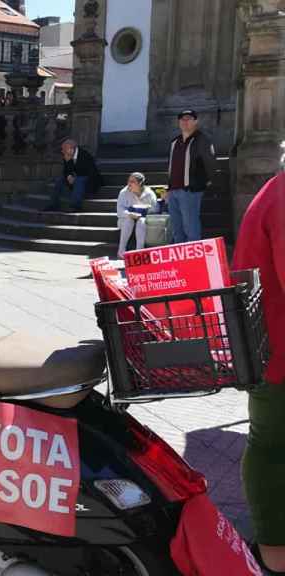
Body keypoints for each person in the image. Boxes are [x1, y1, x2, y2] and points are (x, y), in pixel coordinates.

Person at [234, 146, 285, 574]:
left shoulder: (276, 189)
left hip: (272, 353)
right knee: (272, 447)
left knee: (269, 444)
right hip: (280, 359)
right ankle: (274, 554)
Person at [167, 109, 217, 243]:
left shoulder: (202, 139)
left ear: (196, 121)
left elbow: (210, 163)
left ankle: (194, 261)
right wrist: (168, 188)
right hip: (173, 191)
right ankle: (180, 261)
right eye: (182, 119)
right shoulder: (174, 142)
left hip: (190, 190)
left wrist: (206, 182)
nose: (185, 122)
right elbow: (171, 166)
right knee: (177, 229)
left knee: (191, 228)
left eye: (189, 119)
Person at [44, 138, 100, 213]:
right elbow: (66, 171)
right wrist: (69, 176)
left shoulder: (85, 155)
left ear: (71, 148)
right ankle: (53, 204)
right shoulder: (67, 155)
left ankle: (76, 205)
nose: (62, 151)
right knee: (59, 180)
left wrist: (75, 177)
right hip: (76, 178)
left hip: (89, 179)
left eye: (64, 149)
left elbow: (91, 172)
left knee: (79, 180)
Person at [115, 172, 158, 259]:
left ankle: (139, 251)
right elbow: (119, 211)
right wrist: (129, 214)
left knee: (141, 221)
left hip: (143, 219)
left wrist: (147, 209)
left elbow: (156, 209)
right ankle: (121, 250)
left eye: (132, 181)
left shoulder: (149, 193)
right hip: (126, 219)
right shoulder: (124, 192)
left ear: (140, 183)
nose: (129, 184)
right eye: (128, 181)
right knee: (129, 220)